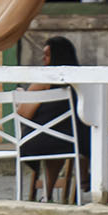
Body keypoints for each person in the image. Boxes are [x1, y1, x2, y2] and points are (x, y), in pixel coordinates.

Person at [16, 35, 85, 200]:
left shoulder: (44, 79)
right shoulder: (80, 79)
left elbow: (24, 114)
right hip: (73, 140)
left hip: (37, 141)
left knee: (51, 139)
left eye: (47, 55)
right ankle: (60, 190)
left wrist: (22, 96)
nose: (43, 58)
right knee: (65, 138)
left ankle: (46, 194)